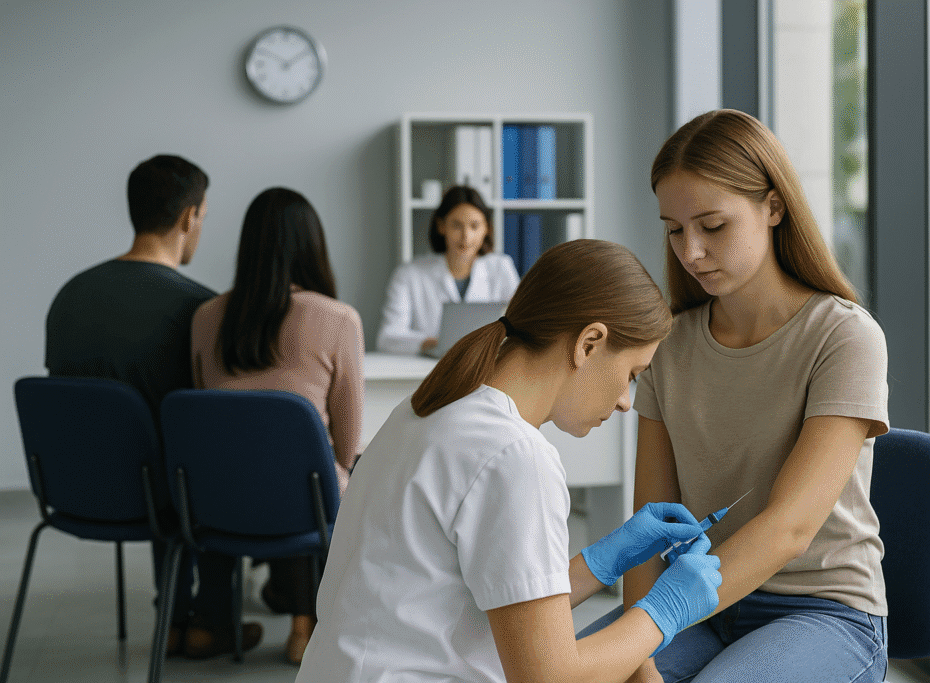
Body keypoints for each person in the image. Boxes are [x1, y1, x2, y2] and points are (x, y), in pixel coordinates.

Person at [297, 239, 723, 683]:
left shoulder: (430, 406)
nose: (623, 402)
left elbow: (496, 596)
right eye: (631, 375)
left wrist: (603, 559)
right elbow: (551, 678)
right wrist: (664, 612)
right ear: (590, 343)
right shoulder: (515, 455)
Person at [580, 109, 891, 683]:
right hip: (698, 606)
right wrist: (638, 658)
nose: (691, 251)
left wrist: (654, 622)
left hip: (822, 611)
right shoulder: (667, 347)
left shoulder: (844, 336)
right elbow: (650, 523)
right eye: (674, 230)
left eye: (713, 226)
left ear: (773, 207)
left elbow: (789, 527)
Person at [45, 154, 261, 658]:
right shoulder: (203, 310)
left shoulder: (69, 296)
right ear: (189, 217)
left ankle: (174, 613)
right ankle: (211, 620)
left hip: (74, 489)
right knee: (215, 456)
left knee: (165, 457)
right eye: (203, 217)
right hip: (164, 494)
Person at [190, 186, 364, 665]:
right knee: (328, 476)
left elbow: (204, 416)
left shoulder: (205, 317)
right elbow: (346, 447)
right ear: (312, 245)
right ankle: (304, 626)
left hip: (216, 503)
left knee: (240, 464)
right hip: (301, 501)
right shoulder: (338, 319)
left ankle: (210, 621)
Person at [376, 185, 519, 354]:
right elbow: (387, 337)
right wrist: (433, 344)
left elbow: (519, 325)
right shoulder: (409, 274)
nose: (466, 236)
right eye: (457, 226)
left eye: (474, 226)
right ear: (442, 226)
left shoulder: (501, 267)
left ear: (486, 228)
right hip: (429, 369)